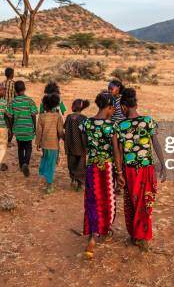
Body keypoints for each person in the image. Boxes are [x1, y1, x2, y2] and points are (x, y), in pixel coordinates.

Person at [114, 88, 167, 252]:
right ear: (136, 104)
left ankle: (135, 235)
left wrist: (119, 173)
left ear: (123, 107)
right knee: (145, 203)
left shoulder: (120, 126)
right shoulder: (148, 121)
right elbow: (155, 143)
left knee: (132, 202)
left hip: (129, 170)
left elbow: (118, 152)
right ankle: (141, 236)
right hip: (146, 169)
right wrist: (163, 164)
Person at [80, 91, 123, 259]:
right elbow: (116, 152)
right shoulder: (111, 126)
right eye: (113, 109)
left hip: (91, 166)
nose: (113, 112)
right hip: (107, 167)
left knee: (92, 200)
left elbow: (85, 147)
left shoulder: (86, 124)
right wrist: (119, 173)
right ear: (110, 108)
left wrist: (85, 167)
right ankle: (101, 230)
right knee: (108, 201)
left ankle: (93, 233)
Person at [6, 80, 38, 177]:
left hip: (18, 129)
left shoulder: (13, 102)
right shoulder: (30, 101)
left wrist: (11, 128)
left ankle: (21, 165)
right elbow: (33, 114)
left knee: (20, 148)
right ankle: (26, 163)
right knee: (28, 147)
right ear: (25, 89)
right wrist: (34, 127)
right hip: (28, 128)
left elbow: (10, 116)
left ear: (15, 90)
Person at [36, 93, 64, 193]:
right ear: (56, 105)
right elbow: (60, 131)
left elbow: (38, 131)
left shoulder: (41, 116)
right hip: (54, 145)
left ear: (45, 105)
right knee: (51, 164)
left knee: (46, 158)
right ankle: (49, 185)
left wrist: (38, 143)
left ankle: (45, 174)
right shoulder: (58, 117)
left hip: (44, 144)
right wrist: (65, 139)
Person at [64, 99, 90, 191]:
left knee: (71, 163)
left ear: (73, 106)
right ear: (82, 108)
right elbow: (86, 131)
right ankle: (79, 184)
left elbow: (65, 127)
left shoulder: (69, 117)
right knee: (81, 165)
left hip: (70, 144)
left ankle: (73, 178)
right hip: (81, 145)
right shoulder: (83, 118)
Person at [3, 67, 16, 144]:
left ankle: (6, 141)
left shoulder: (2, 83)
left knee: (6, 125)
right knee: (12, 126)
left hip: (3, 108)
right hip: (11, 108)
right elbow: (16, 95)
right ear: (12, 75)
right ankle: (9, 141)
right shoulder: (14, 84)